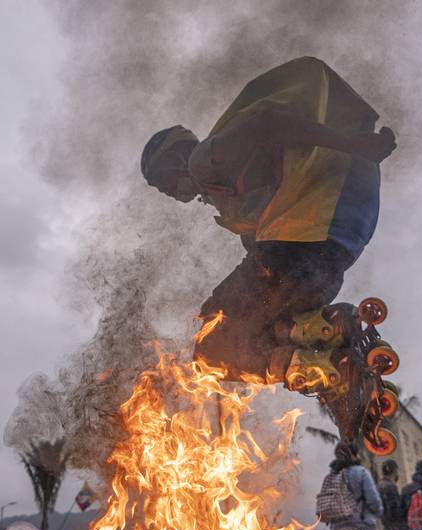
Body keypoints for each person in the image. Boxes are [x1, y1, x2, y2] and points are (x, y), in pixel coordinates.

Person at [142, 57, 398, 449]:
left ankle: (324, 368)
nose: (172, 196)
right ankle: (327, 333)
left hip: (303, 238)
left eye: (163, 184)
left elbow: (266, 124)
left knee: (211, 345)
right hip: (336, 243)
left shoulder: (202, 161)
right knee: (256, 328)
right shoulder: (232, 200)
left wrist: (353, 145)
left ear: (175, 160)